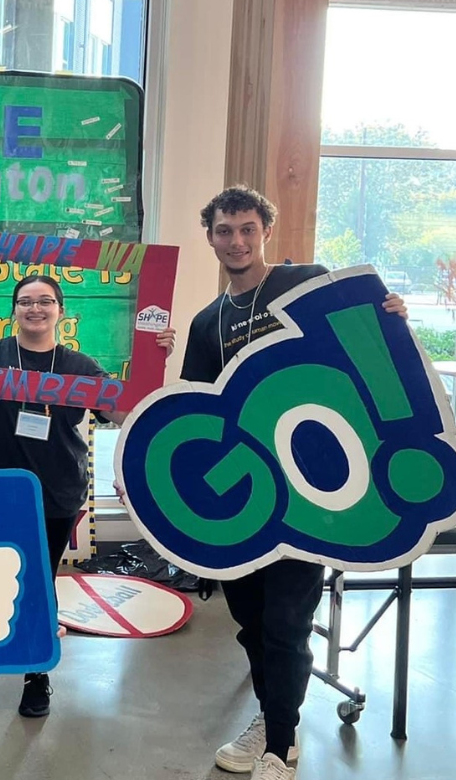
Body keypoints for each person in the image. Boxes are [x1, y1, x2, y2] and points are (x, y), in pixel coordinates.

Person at [176, 185, 406, 780]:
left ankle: (281, 743)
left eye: (247, 229)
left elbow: (365, 346)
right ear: (210, 237)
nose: (236, 241)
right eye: (224, 231)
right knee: (251, 620)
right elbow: (195, 413)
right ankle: (275, 717)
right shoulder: (208, 322)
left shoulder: (306, 283)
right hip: (243, 498)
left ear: (265, 232)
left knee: (286, 621)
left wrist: (393, 321)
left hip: (314, 490)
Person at [0, 273, 175, 718]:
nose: (35, 309)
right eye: (25, 301)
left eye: (45, 301)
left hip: (54, 493)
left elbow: (123, 411)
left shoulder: (79, 365)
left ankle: (36, 674)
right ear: (14, 309)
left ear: (61, 310)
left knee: (37, 586)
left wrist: (154, 360)